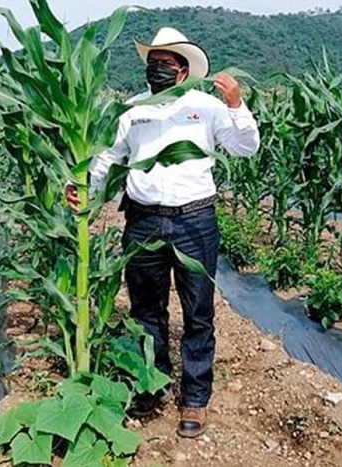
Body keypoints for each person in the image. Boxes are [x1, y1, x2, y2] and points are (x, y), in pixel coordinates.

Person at [66, 27, 260, 438]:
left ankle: (194, 396)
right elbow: (106, 158)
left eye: (166, 62)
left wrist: (237, 104)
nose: (157, 67)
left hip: (195, 220)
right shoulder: (132, 110)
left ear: (184, 69)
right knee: (145, 309)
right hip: (143, 220)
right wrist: (83, 189)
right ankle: (152, 383)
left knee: (197, 311)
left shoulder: (206, 107)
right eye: (154, 61)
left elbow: (246, 147)